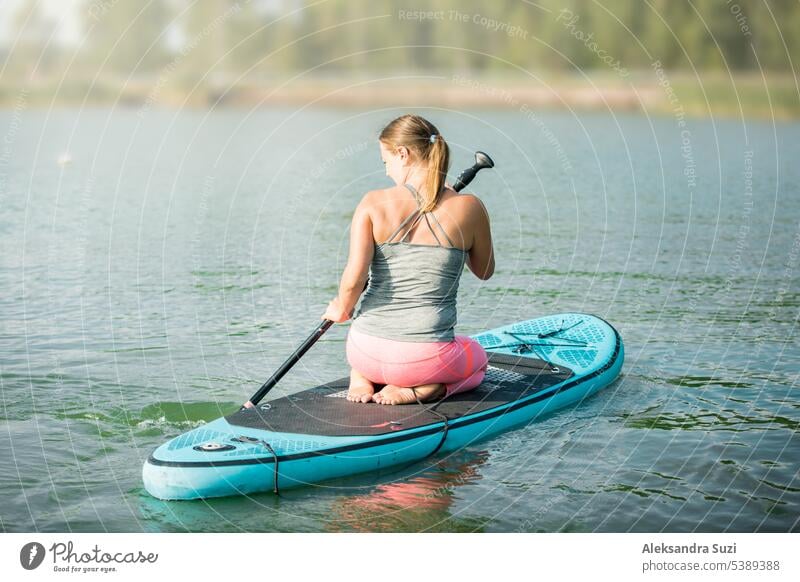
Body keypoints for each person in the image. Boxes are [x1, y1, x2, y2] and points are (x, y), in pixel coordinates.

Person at [321, 114, 495, 405]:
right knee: (478, 361)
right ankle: (421, 389)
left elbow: (354, 280)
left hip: (363, 349)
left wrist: (341, 308)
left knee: (371, 351)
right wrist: (460, 232)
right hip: (423, 359)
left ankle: (362, 378)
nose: (388, 171)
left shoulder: (372, 202)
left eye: (385, 161)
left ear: (403, 154)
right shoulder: (470, 207)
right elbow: (484, 270)